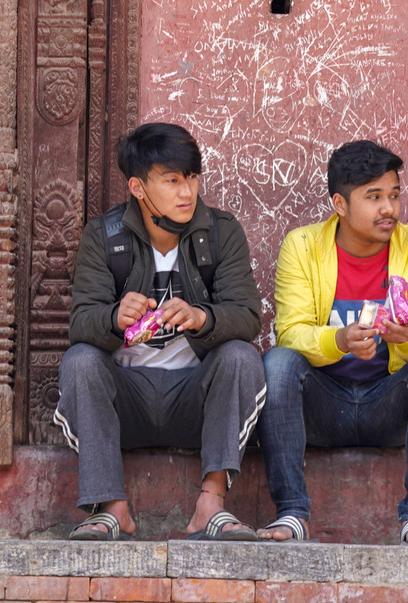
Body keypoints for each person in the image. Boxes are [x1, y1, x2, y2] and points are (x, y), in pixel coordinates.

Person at [56, 122, 266, 541]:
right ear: (138, 187)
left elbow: (247, 316)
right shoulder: (104, 236)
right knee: (80, 361)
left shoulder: (221, 232)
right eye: (171, 180)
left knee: (241, 356)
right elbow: (80, 322)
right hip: (125, 402)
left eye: (191, 177)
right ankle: (112, 508)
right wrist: (114, 317)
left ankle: (211, 505)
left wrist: (203, 318)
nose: (187, 192)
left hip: (196, 400)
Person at [256, 139, 408, 545]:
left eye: (394, 195)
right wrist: (341, 340)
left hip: (389, 405)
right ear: (340, 205)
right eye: (374, 197)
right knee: (276, 364)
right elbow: (291, 332)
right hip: (323, 406)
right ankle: (292, 513)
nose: (389, 209)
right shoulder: (303, 246)